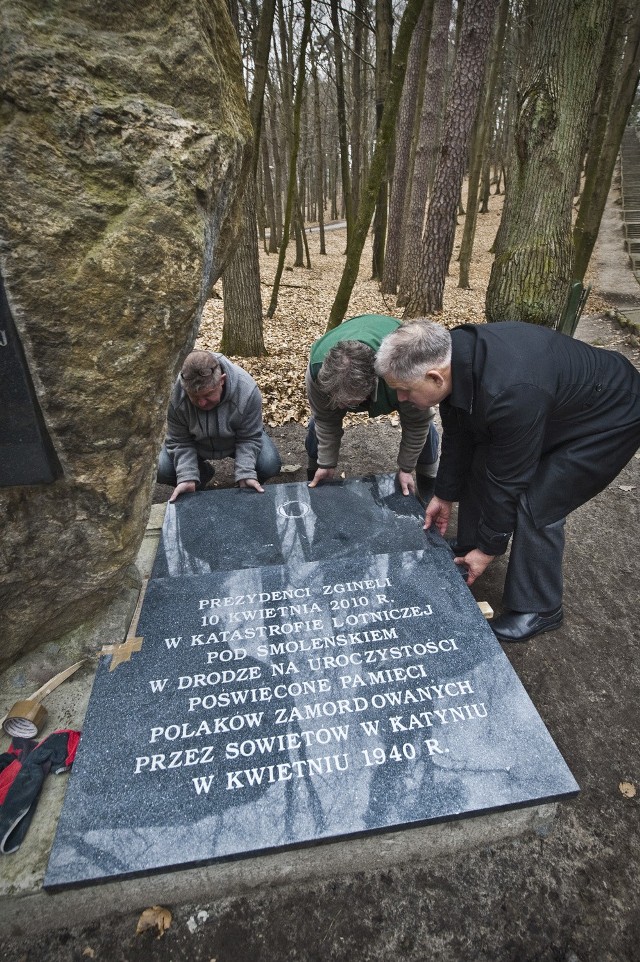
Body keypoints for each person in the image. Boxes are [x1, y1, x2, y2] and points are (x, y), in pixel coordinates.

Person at [375, 318, 640, 643]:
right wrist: (443, 495)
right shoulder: (452, 356)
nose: (400, 398)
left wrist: (489, 549)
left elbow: (509, 478)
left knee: (540, 499)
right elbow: (460, 435)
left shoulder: (509, 392)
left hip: (612, 414)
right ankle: (469, 542)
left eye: (404, 389)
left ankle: (540, 608)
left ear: (434, 376)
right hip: (556, 401)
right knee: (480, 454)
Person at [305, 314, 439, 498]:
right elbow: (326, 420)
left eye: (349, 402)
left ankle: (428, 483)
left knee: (423, 423)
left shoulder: (401, 371)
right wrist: (326, 464)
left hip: (395, 364)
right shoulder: (318, 370)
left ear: (372, 384)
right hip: (341, 368)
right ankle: (315, 472)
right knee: (319, 423)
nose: (342, 406)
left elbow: (416, 424)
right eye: (339, 401)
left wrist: (406, 468)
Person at [157, 350, 281, 502]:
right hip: (196, 443)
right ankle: (199, 477)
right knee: (161, 468)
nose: (201, 403)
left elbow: (248, 438)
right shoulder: (174, 394)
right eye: (194, 397)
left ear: (222, 380)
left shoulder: (247, 390)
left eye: (207, 395)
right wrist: (187, 476)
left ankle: (250, 483)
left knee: (269, 464)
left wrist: (246, 472)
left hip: (235, 441)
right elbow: (179, 441)